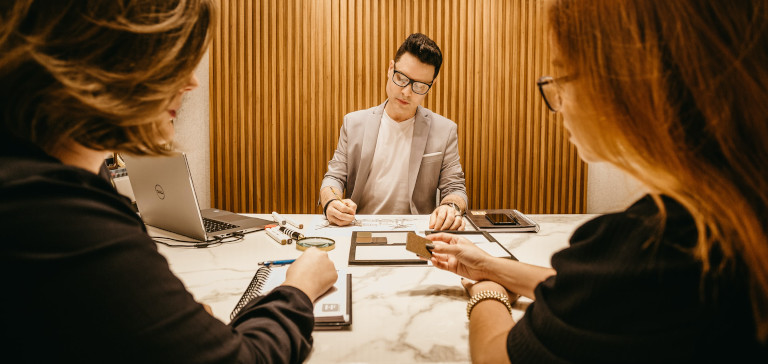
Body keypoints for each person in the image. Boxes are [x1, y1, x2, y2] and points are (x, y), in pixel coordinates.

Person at [427, 0, 768, 362]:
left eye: (561, 76)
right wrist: (491, 265)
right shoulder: (733, 210)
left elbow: (497, 355)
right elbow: (601, 292)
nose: (556, 102)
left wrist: (488, 289)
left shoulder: (658, 243)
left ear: (626, 82)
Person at [0, 1, 337, 362]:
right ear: (104, 56)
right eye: (175, 59)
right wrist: (299, 289)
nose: (192, 82)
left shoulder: (45, 178)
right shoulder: (57, 214)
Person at [319, 33, 468, 231]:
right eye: (402, 78)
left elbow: (455, 188)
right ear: (390, 69)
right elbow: (334, 178)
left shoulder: (445, 130)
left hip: (418, 233)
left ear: (430, 86)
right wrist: (332, 202)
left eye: (420, 86)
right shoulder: (354, 123)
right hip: (360, 228)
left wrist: (451, 207)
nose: (407, 92)